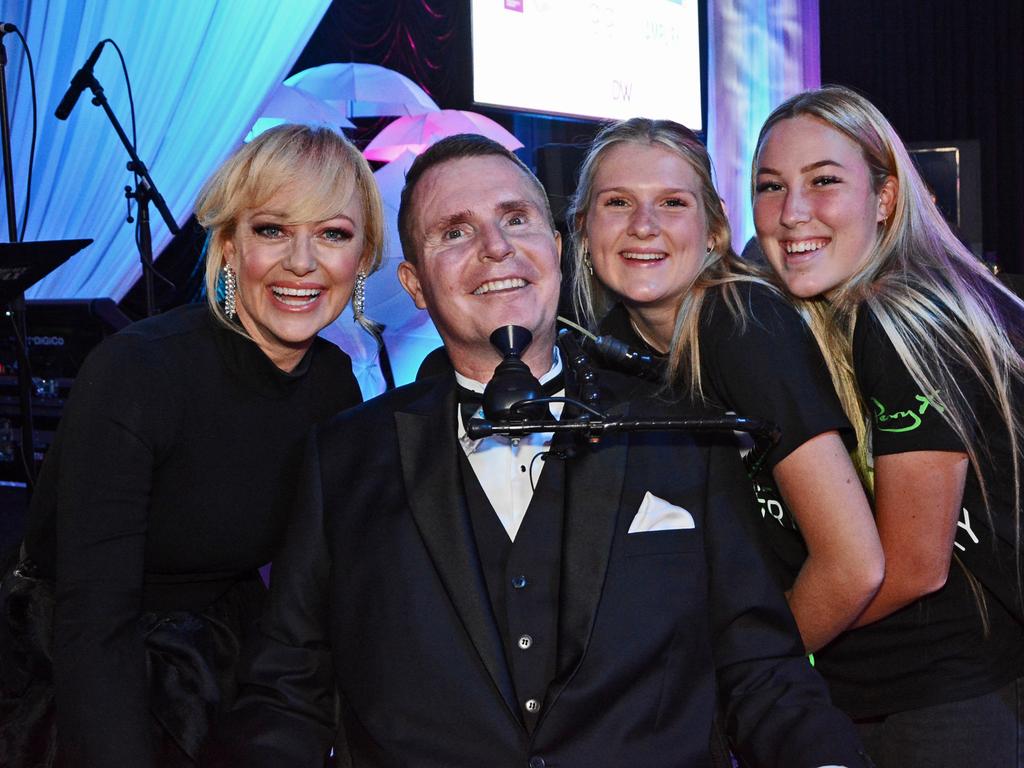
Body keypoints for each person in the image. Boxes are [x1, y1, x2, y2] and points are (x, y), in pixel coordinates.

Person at [204, 133, 872, 768]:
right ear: (414, 284)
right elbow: (286, 696)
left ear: (555, 247)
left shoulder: (680, 434)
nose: (495, 248)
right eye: (456, 231)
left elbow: (762, 672)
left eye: (516, 219)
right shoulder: (343, 458)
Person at [0, 124, 384, 767]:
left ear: (362, 258)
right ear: (229, 247)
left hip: (219, 647)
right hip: (67, 661)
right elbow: (94, 621)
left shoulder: (335, 389)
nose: (302, 261)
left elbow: (336, 590)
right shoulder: (139, 373)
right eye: (272, 230)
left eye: (332, 234)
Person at [752, 85, 1024, 767]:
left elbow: (910, 567)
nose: (792, 213)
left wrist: (751, 657)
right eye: (770, 186)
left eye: (824, 182)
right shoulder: (885, 306)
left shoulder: (900, 318)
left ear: (885, 198)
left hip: (948, 709)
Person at [569, 117, 882, 654]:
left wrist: (736, 691)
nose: (643, 225)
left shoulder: (741, 324)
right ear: (582, 229)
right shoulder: (606, 354)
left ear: (714, 231)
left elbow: (853, 566)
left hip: (870, 677)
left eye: (672, 203)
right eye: (617, 202)